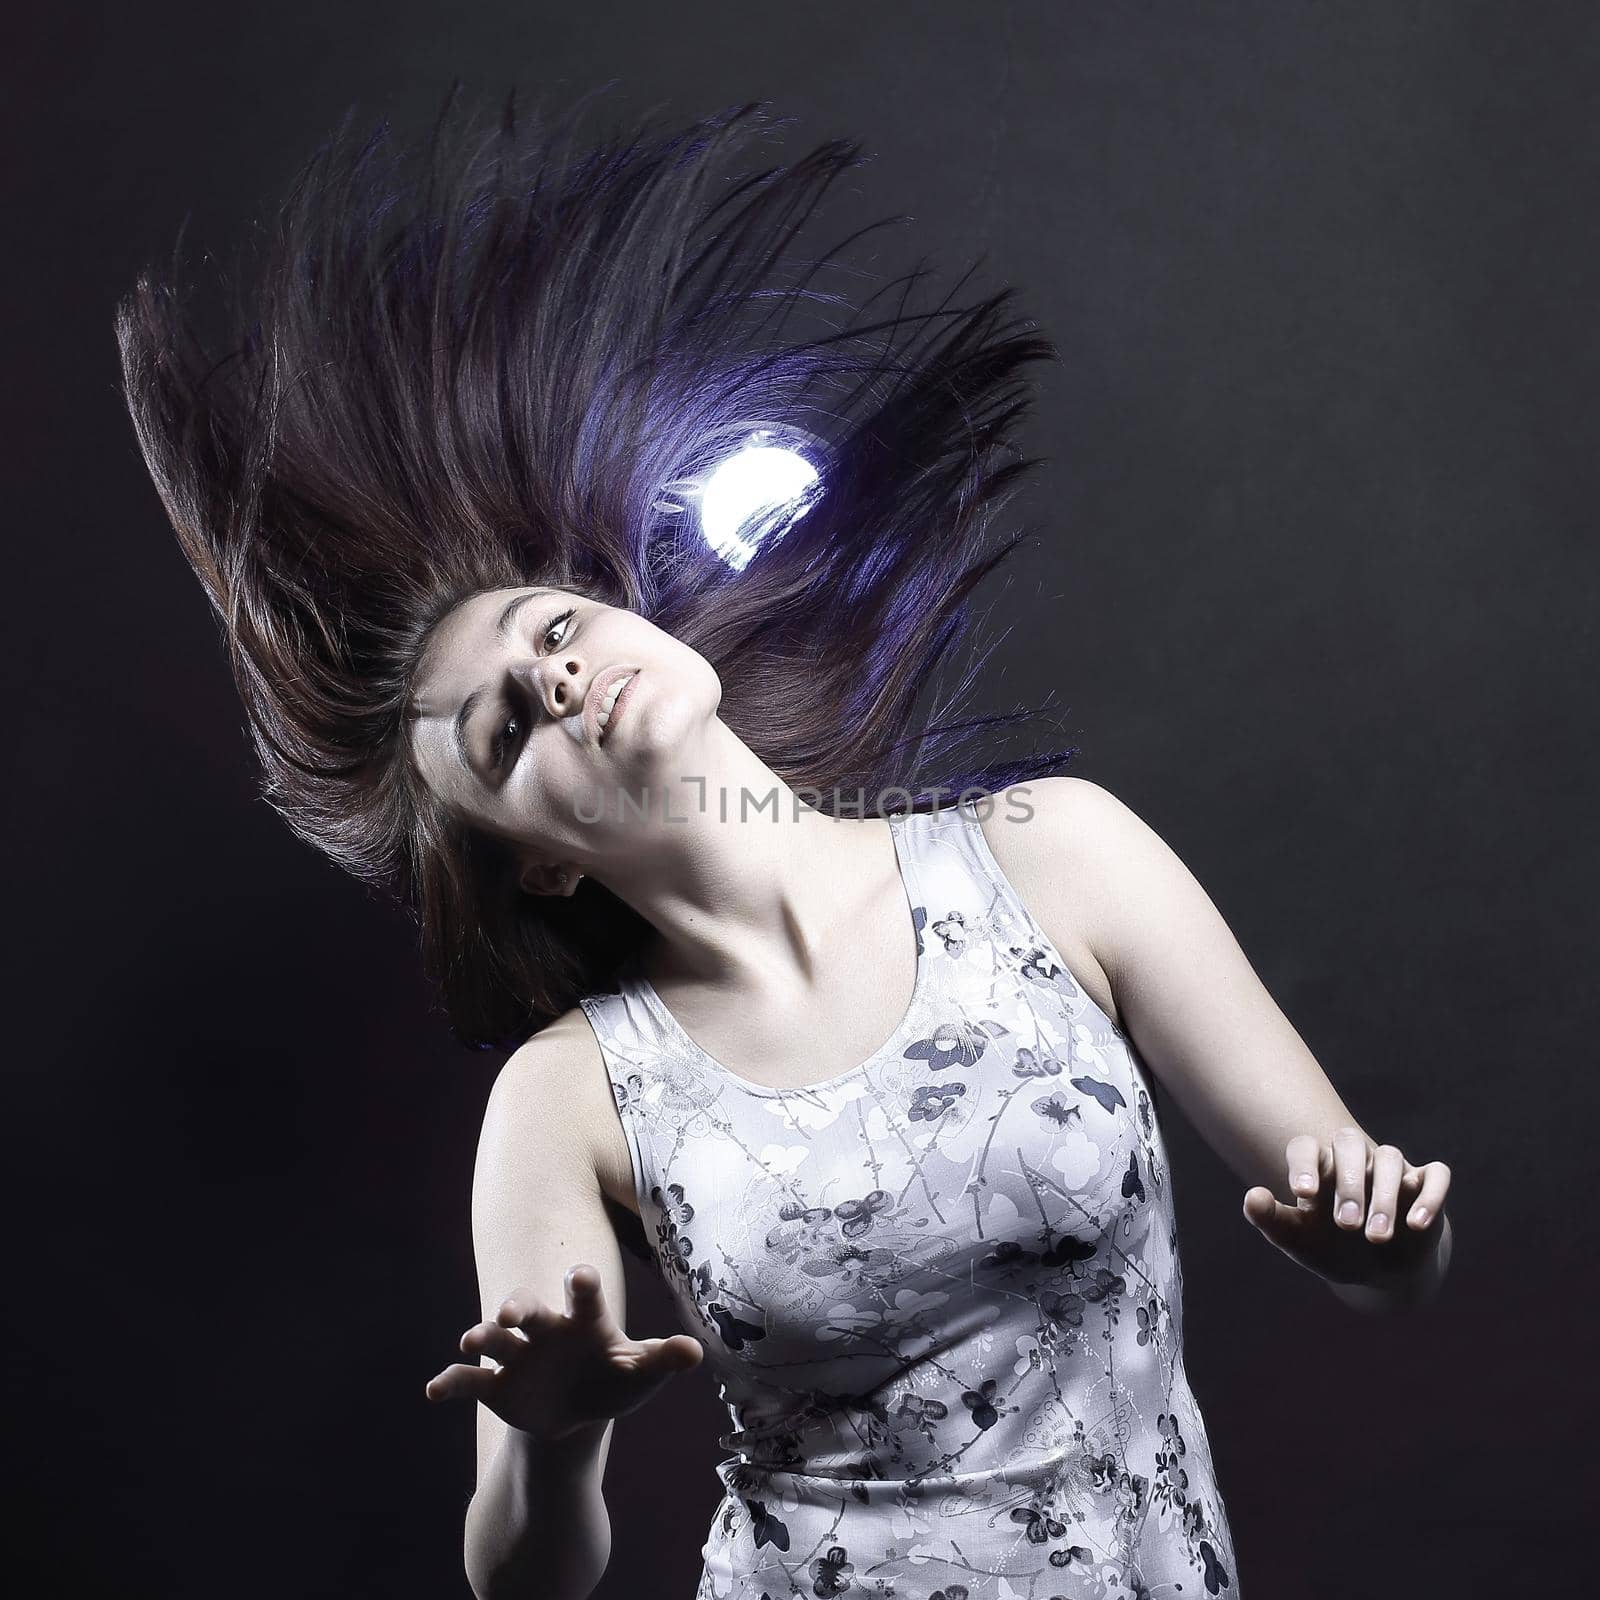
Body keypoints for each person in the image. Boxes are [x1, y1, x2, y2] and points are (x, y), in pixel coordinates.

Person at [115, 85, 1453, 1600]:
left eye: (552, 628)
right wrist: (551, 1444)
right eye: (507, 733)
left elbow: (1386, 1250)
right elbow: (526, 1576)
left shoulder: (1055, 857)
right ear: (539, 864)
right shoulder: (568, 1099)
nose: (557, 677)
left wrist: (1380, 1250)